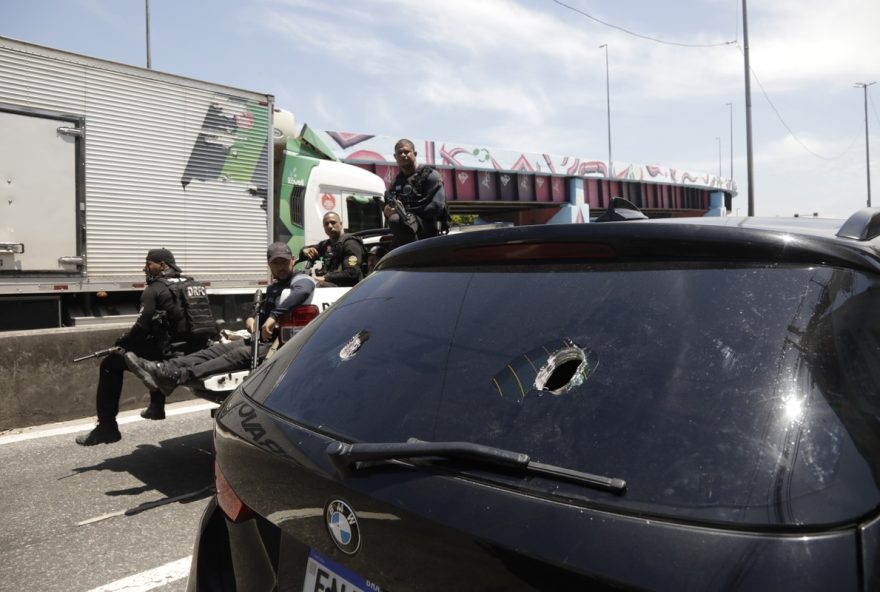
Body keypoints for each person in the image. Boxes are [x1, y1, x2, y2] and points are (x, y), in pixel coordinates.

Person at [124, 242, 315, 394]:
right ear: (269, 264)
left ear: (293, 260)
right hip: (262, 342)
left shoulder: (298, 278)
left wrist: (274, 317)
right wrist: (251, 320)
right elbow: (256, 312)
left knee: (236, 355)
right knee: (215, 351)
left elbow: (304, 289)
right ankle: (162, 368)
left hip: (282, 347)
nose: (281, 267)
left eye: (285, 262)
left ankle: (178, 376)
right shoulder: (274, 287)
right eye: (276, 263)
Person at [76, 248, 209, 446]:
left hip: (169, 355)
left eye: (148, 264)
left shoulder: (154, 289)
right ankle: (156, 406)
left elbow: (141, 326)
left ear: (162, 265)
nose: (144, 268)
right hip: (198, 351)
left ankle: (107, 427)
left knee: (110, 364)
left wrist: (122, 343)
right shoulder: (194, 285)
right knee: (154, 345)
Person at [383, 138, 447, 248]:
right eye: (399, 153)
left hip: (427, 235)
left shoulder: (430, 176)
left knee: (395, 219)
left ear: (415, 153)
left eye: (406, 151)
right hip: (403, 236)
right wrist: (387, 211)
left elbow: (436, 207)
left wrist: (406, 211)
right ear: (395, 157)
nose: (403, 155)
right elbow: (390, 207)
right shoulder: (396, 182)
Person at [298, 211, 364, 287]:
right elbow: (308, 250)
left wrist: (326, 277)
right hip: (332, 288)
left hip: (349, 290)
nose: (330, 226)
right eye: (326, 224)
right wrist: (304, 251)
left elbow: (352, 272)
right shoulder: (326, 245)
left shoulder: (350, 243)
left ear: (341, 224)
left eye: (333, 222)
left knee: (317, 286)